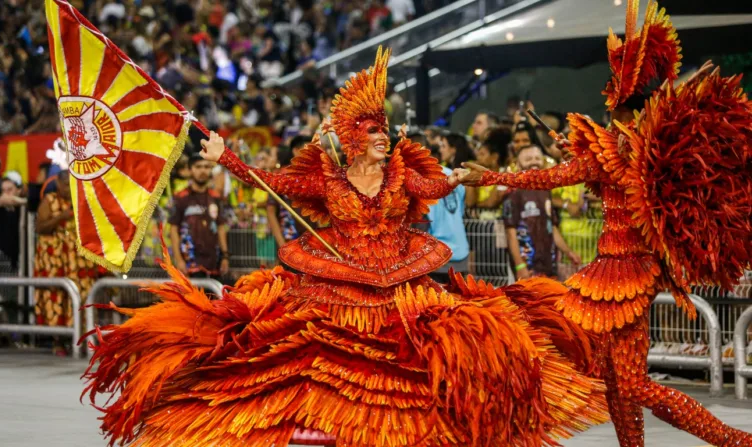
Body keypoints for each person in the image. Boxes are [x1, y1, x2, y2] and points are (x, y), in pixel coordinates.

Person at [84, 47, 607, 447]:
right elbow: (273, 182)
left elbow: (432, 186)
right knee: (310, 362)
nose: (384, 137)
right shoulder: (328, 178)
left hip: (400, 282)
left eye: (386, 130)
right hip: (337, 281)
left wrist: (460, 178)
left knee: (432, 358)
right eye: (375, 130)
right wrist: (226, 158)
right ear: (354, 138)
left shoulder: (402, 172)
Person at [458, 2, 752, 444]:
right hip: (614, 271)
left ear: (617, 97)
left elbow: (552, 177)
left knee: (632, 384)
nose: (606, 93)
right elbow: (572, 176)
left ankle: (734, 440)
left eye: (611, 87)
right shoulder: (644, 142)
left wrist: (493, 177)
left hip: (627, 275)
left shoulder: (621, 147)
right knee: (616, 380)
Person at [34, 171, 98, 355]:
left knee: (83, 295)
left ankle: (84, 339)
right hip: (56, 260)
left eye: (71, 185)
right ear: (57, 183)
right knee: (56, 298)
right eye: (65, 185)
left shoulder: (81, 200)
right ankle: (59, 341)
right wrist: (61, 217)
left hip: (78, 261)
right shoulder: (49, 200)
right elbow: (40, 227)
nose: (68, 189)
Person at [503, 145, 580, 279]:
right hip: (527, 267)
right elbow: (510, 233)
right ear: (519, 165)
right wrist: (520, 265)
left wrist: (568, 252)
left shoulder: (546, 190)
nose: (534, 162)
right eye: (528, 159)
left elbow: (552, 228)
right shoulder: (513, 193)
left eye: (537, 158)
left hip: (548, 264)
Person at [168, 155, 229, 280]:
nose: (203, 171)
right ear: (190, 169)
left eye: (206, 167)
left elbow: (221, 227)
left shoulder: (216, 197)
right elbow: (173, 230)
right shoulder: (180, 198)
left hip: (214, 263)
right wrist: (178, 260)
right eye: (198, 167)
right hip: (189, 263)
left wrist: (225, 257)